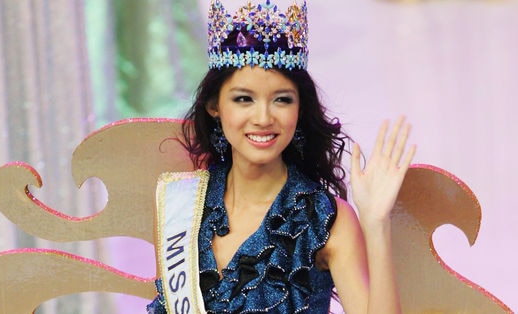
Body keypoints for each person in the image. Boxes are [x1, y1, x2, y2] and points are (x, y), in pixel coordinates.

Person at [147, 0, 415, 313]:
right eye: (244, 99)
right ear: (214, 106)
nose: (263, 118)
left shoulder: (326, 220)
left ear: (300, 110)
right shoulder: (184, 204)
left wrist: (376, 224)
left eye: (281, 100)